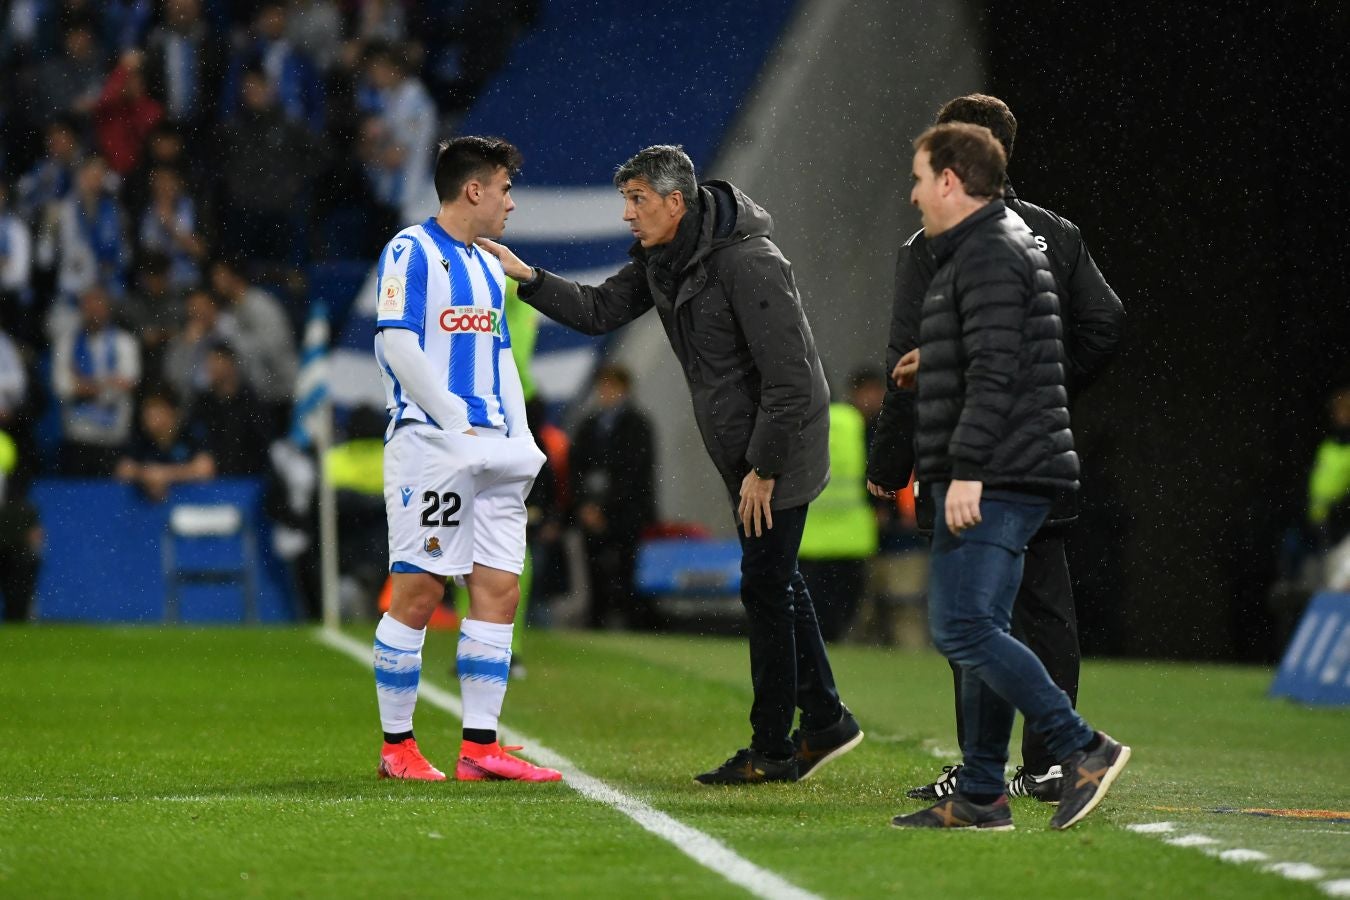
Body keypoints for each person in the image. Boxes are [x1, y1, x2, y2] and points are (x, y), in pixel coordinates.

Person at [477, 144, 863, 785]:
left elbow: (791, 379)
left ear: (675, 202)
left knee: (763, 588)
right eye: (625, 200)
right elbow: (600, 311)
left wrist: (763, 468)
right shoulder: (665, 258)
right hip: (742, 448)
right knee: (777, 581)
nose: (627, 215)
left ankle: (773, 750)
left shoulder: (750, 261)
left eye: (637, 200)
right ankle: (825, 718)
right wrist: (528, 276)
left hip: (781, 443)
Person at [868, 95, 1125, 805]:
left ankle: (1077, 748)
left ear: (954, 172)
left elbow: (995, 362)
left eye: (922, 175)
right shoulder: (1042, 235)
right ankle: (992, 783)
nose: (913, 191)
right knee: (1021, 612)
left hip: (988, 468)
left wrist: (938, 465)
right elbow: (1095, 327)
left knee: (966, 621)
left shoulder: (972, 250)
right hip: (1013, 458)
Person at [370, 135, 559, 783]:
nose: (511, 201)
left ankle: (481, 747)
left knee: (499, 589)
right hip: (431, 444)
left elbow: (502, 355)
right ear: (473, 189)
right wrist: (455, 423)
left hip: (493, 447)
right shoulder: (410, 250)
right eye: (504, 188)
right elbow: (397, 346)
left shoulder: (486, 265)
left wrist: (520, 435)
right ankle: (397, 747)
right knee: (420, 590)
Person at [570, 363, 657, 630]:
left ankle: (633, 621)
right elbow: (575, 469)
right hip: (592, 509)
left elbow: (635, 474)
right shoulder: (588, 426)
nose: (605, 392)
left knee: (627, 566)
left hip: (627, 512)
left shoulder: (638, 425)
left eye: (611, 386)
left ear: (625, 389)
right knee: (593, 567)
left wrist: (606, 507)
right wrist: (586, 505)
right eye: (602, 386)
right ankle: (597, 619)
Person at [798, 397, 877, 641]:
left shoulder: (796, 419)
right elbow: (876, 465)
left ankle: (820, 645)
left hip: (809, 535)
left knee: (813, 607)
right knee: (845, 603)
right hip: (851, 534)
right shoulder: (853, 420)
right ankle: (838, 639)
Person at [50, 285, 141, 476]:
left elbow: (128, 384)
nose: (93, 310)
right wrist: (107, 383)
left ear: (108, 308)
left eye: (98, 304)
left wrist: (82, 383)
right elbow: (61, 386)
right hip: (77, 438)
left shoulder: (125, 342)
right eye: (88, 305)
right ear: (81, 309)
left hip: (114, 438)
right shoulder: (67, 343)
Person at [114, 386, 215, 502]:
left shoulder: (191, 431)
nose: (149, 417)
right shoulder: (140, 437)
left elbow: (205, 469)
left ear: (174, 412)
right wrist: (146, 475)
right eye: (146, 411)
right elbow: (123, 471)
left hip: (194, 503)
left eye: (157, 410)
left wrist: (165, 475)